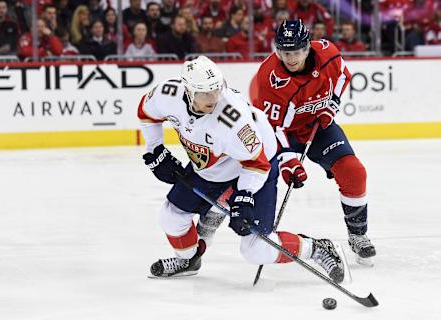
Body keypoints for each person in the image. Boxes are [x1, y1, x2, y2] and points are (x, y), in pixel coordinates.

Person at [138, 55, 347, 281]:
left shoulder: (232, 119)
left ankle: (316, 248)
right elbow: (146, 112)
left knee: (255, 249)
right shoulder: (168, 94)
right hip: (213, 167)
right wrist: (155, 150)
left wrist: (244, 196)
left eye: (217, 89)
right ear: (187, 91)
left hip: (256, 166)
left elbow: (256, 163)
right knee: (171, 216)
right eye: (205, 93)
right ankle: (188, 260)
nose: (214, 97)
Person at [251, 20, 376, 265]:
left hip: (317, 129)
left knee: (354, 172)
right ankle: (208, 223)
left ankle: (358, 235)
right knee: (245, 176)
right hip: (278, 136)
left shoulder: (327, 53)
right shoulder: (269, 77)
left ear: (307, 47)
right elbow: (270, 127)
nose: (290, 58)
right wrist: (287, 160)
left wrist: (333, 104)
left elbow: (343, 75)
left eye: (296, 52)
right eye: (285, 52)